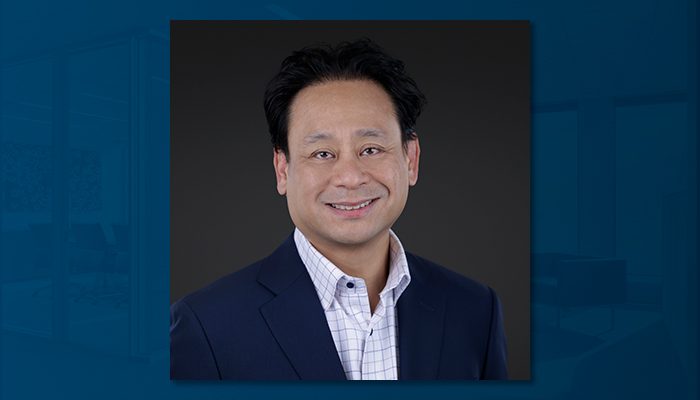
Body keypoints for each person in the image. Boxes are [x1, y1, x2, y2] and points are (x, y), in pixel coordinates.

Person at [170, 38, 508, 380]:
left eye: (371, 149)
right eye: (322, 154)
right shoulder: (205, 326)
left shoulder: (476, 310)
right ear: (282, 170)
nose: (349, 177)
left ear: (411, 159)